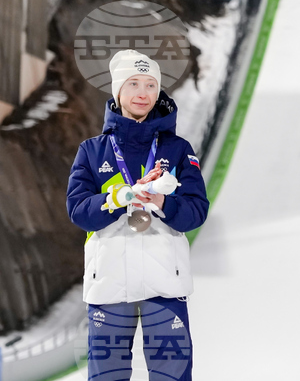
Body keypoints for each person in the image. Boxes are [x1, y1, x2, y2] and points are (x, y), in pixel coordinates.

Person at [66, 49, 209, 380]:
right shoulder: (92, 151)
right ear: (118, 91)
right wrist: (122, 195)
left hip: (165, 285)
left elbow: (196, 211)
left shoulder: (178, 150)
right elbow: (78, 211)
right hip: (109, 286)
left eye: (150, 85)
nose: (143, 93)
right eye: (133, 84)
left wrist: (162, 202)